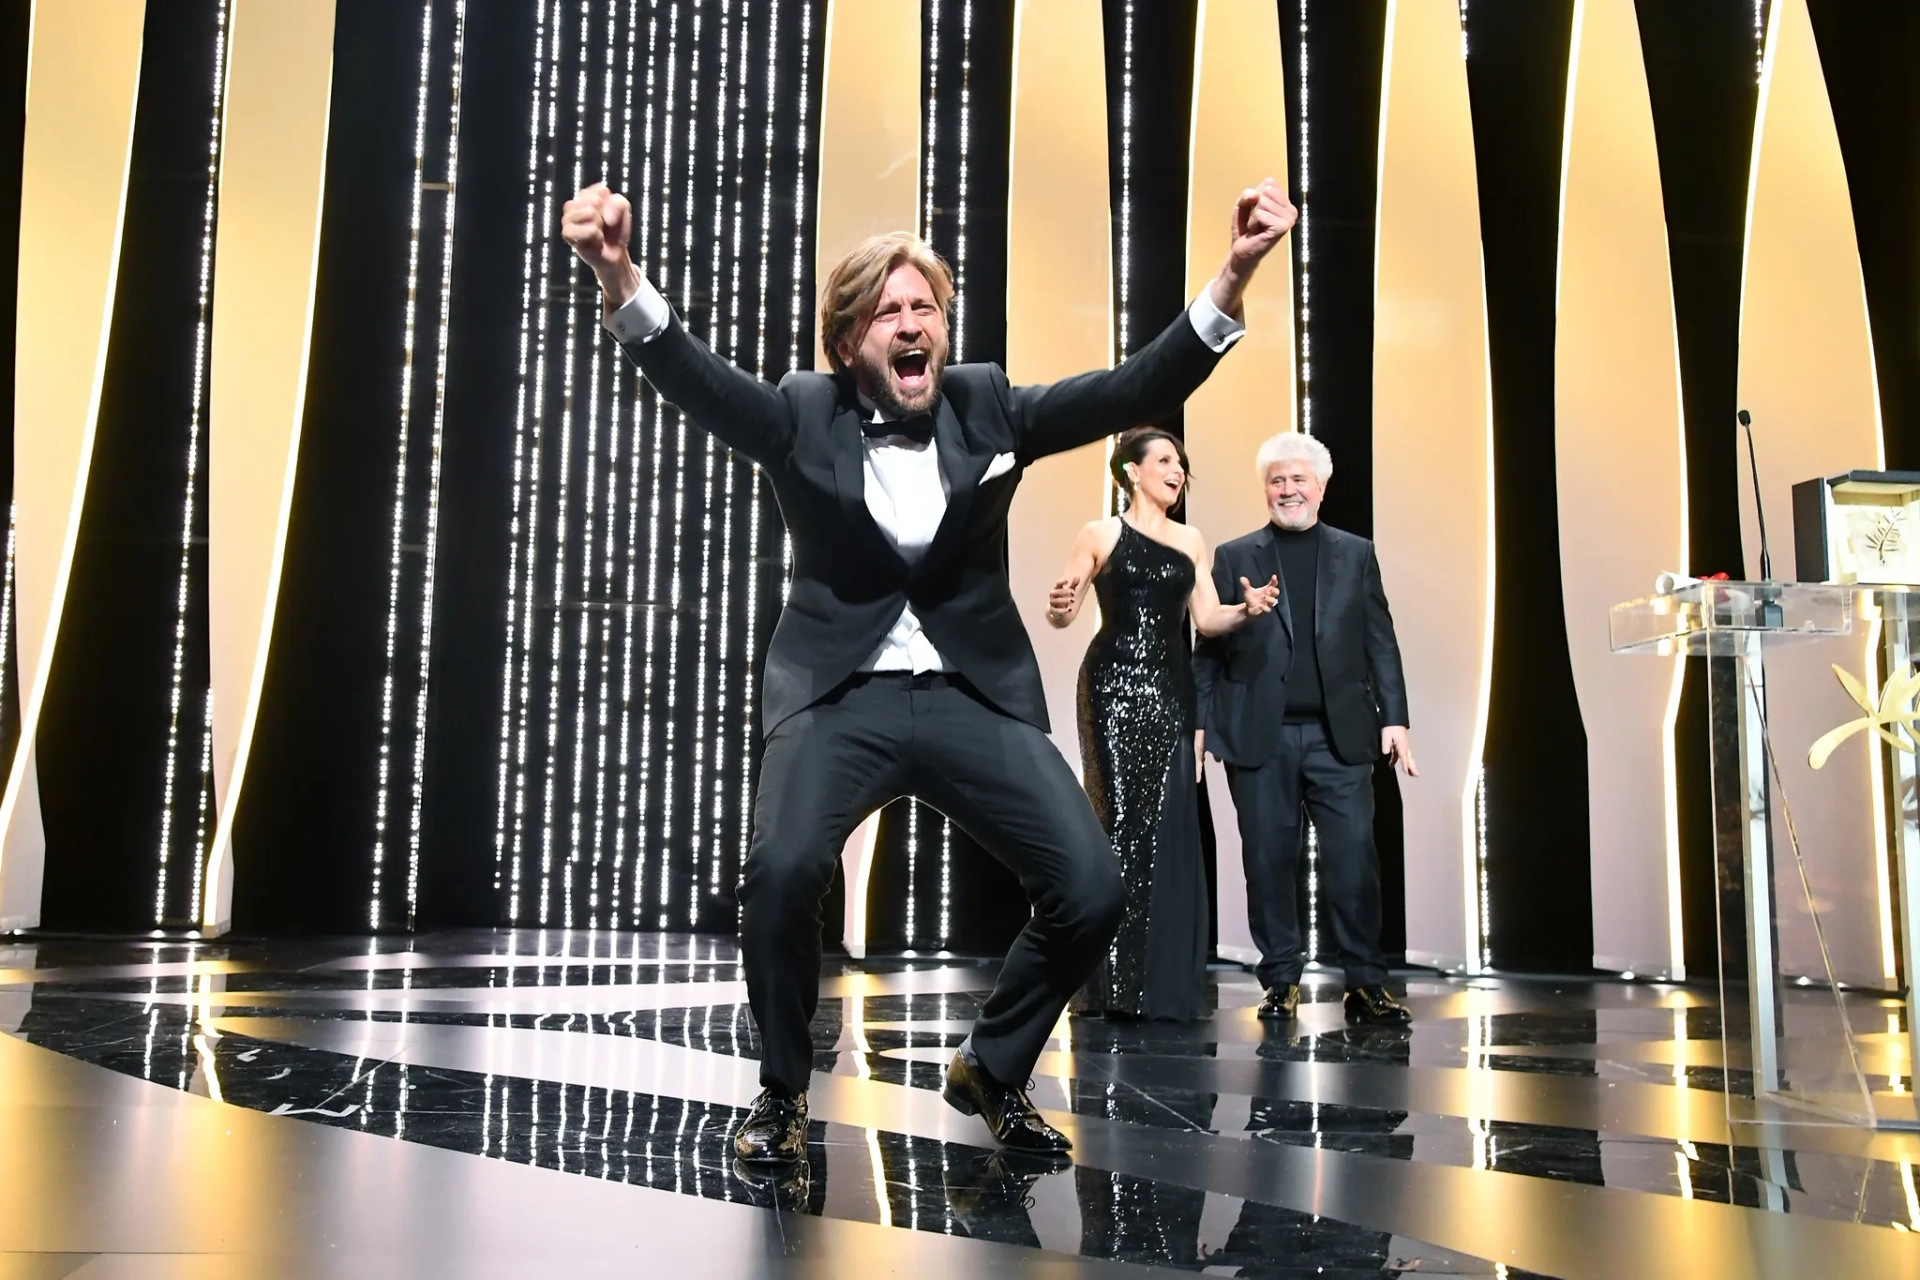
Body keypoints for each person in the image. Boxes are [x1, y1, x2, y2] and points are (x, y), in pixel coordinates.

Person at [561, 177, 1295, 1165]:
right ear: (850, 336)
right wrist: (616, 270)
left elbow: (1133, 384)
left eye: (926, 308)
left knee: (1090, 883)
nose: (913, 324)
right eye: (888, 310)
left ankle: (993, 1066)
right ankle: (781, 1090)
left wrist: (1238, 267)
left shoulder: (987, 404)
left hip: (968, 690)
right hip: (839, 693)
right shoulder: (799, 411)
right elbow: (694, 375)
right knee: (780, 874)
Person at [1044, 428, 1279, 1020]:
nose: (1178, 472)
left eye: (1182, 464)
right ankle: (1109, 986)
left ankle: (1156, 984)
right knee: (1120, 821)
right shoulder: (1100, 533)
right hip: (1113, 689)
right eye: (1166, 461)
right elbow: (1065, 609)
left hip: (1169, 690)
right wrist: (1060, 604)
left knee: (1165, 826)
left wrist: (1245, 610)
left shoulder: (1192, 539)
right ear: (1130, 470)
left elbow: (1207, 617)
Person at [1194, 432, 1416, 1027]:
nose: (1287, 490)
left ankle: (1365, 983)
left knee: (1353, 862)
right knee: (1267, 863)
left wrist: (1394, 718)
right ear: (1264, 488)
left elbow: (1380, 642)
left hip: (1339, 738)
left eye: (1298, 479)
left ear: (1321, 486)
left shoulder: (1356, 552)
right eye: (1277, 480)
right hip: (1257, 740)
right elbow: (1207, 648)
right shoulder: (1235, 555)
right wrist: (1200, 725)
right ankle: (1281, 979)